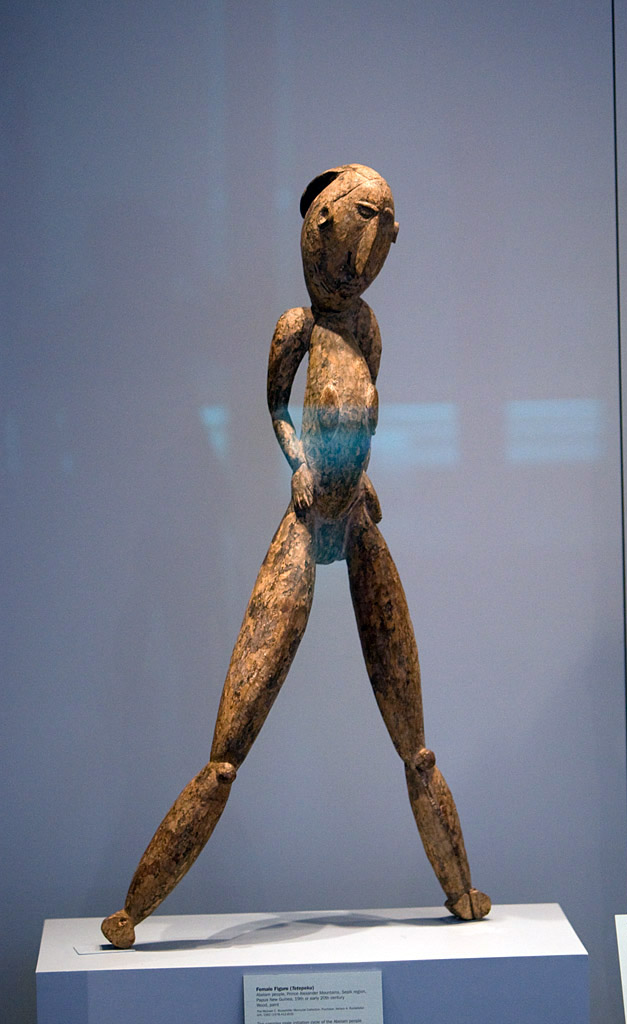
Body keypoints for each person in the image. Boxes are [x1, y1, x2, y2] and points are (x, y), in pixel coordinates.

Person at [101, 164, 489, 949]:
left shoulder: (366, 327)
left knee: (414, 743)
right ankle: (134, 909)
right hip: (307, 520)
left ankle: (460, 890)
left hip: (358, 520)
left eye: (387, 224)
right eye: (366, 215)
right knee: (226, 752)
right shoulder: (296, 327)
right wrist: (300, 464)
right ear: (323, 226)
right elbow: (278, 406)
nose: (380, 238)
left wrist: (357, 476)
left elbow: (361, 409)